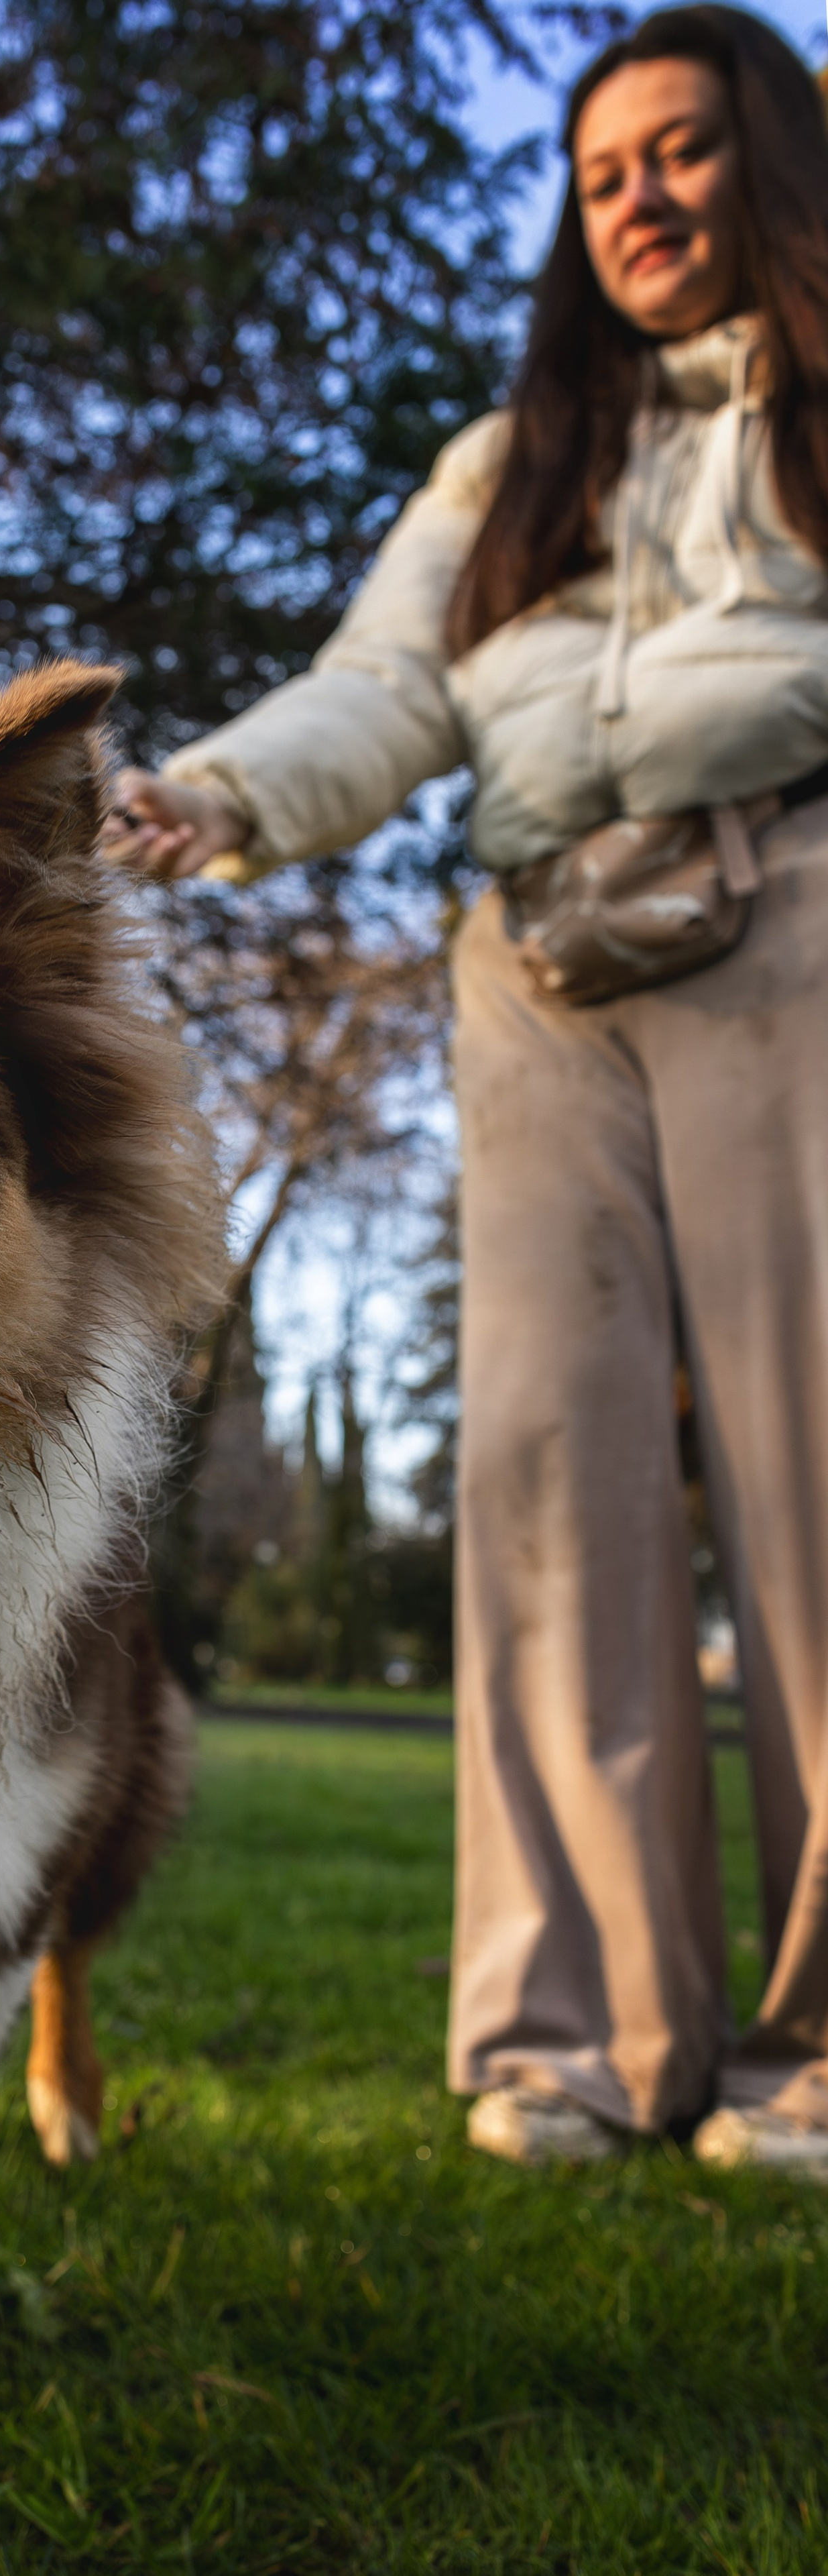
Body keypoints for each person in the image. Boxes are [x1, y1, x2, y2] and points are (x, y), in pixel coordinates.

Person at [107, 5, 828, 2171]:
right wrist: (215, 793)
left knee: (810, 1487)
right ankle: (575, 2049)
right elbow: (386, 690)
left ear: (773, 166)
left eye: (684, 154)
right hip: (536, 973)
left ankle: (815, 2055)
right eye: (604, 173)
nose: (640, 201)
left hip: (791, 906)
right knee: (540, 1493)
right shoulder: (507, 459)